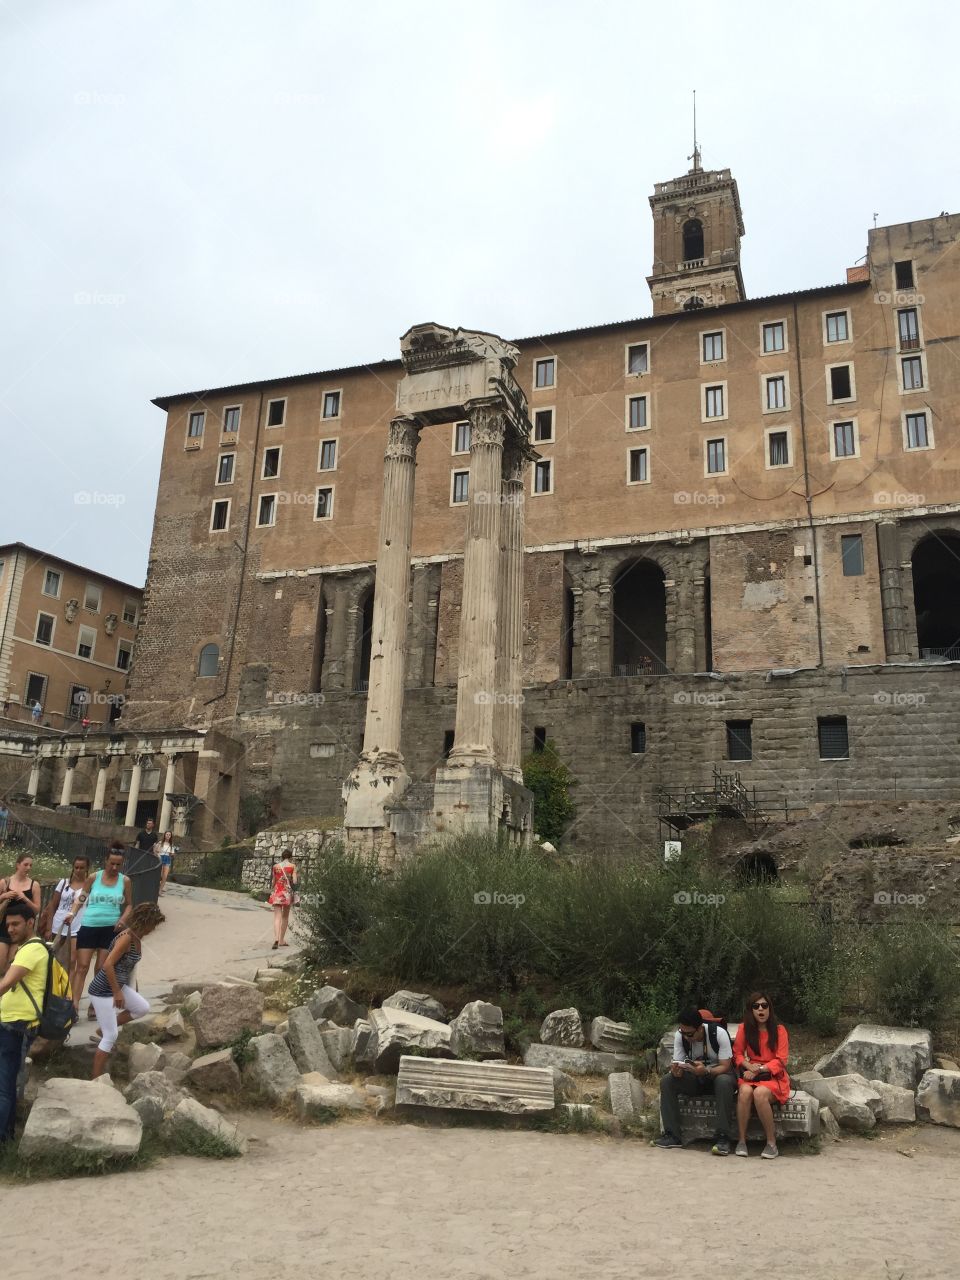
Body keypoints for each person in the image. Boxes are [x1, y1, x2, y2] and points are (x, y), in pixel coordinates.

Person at [89, 902, 164, 1079]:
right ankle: (94, 1079)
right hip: (102, 989)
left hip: (119, 985)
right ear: (144, 922)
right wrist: (117, 992)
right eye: (153, 925)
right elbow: (107, 965)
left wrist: (131, 989)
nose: (153, 929)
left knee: (142, 1007)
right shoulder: (126, 938)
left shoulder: (137, 939)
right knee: (111, 1035)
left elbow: (129, 967)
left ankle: (104, 1028)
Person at [653, 1008, 737, 1155]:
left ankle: (723, 1137)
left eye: (690, 1034)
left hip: (718, 1077)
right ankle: (672, 1135)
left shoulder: (719, 1034)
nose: (686, 1037)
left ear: (699, 1028)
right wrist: (677, 1071)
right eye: (683, 1032)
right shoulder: (681, 1035)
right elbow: (679, 1061)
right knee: (667, 1081)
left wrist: (706, 1071)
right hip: (696, 1078)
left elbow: (726, 1066)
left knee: (723, 1081)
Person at [0, 901, 49, 1144]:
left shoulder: (32, 949)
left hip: (17, 1026)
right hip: (11, 1022)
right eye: (8, 924)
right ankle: (6, 1138)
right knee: (5, 1084)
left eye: (16, 924)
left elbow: (6, 984)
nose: (10, 929)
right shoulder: (28, 948)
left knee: (4, 1086)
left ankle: (4, 1139)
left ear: (31, 922)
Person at [66, 843, 133, 1019]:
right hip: (89, 925)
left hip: (110, 927)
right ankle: (74, 1005)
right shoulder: (94, 878)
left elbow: (129, 905)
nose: (114, 867)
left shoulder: (125, 881)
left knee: (101, 968)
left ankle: (94, 1005)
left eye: (118, 864)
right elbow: (82, 896)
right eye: (112, 863)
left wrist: (123, 919)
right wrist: (72, 913)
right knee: (82, 966)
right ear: (106, 861)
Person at [733, 992, 791, 1160]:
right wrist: (748, 1065)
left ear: (769, 1009)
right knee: (744, 1092)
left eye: (764, 1006)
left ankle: (771, 1143)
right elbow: (737, 1054)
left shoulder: (780, 1031)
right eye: (756, 1006)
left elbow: (781, 1060)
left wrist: (759, 1069)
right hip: (751, 1073)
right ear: (751, 1010)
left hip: (773, 1076)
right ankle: (742, 1141)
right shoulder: (744, 1028)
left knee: (759, 1094)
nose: (760, 1009)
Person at [0, 853, 42, 976]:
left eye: (30, 865)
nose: (28, 868)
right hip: (3, 926)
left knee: (12, 965)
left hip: (22, 929)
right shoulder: (5, 882)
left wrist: (25, 899)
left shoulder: (34, 885)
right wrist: (4, 896)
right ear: (18, 865)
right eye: (25, 864)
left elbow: (37, 910)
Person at [47, 855, 91, 972]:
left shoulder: (88, 886)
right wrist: (48, 927)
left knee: (72, 960)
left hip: (77, 926)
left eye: (82, 868)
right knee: (55, 957)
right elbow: (53, 905)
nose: (78, 870)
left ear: (87, 869)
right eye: (76, 867)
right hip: (58, 925)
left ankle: (68, 988)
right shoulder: (64, 883)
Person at [267, 851, 298, 950]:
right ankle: (281, 940)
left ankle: (276, 939)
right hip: (287, 893)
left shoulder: (276, 866)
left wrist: (273, 889)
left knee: (277, 917)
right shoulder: (292, 866)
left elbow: (274, 881)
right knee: (285, 917)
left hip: (277, 892)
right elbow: (295, 881)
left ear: (282, 857)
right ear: (290, 857)